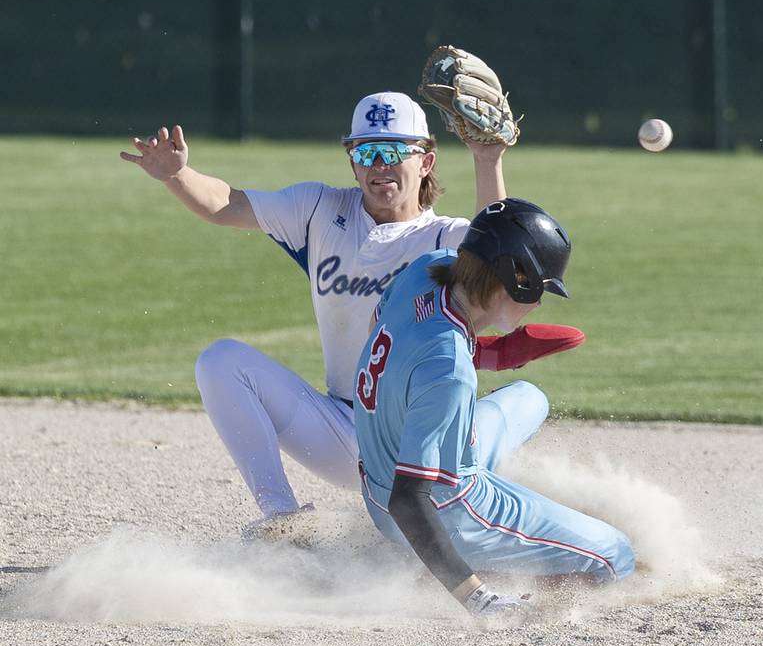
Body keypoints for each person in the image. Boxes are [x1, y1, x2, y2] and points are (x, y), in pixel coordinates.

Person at [120, 92, 576, 530]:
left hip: (427, 437)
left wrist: (487, 160)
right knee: (220, 361)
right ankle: (284, 522)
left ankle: (471, 495)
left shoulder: (445, 238)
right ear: (352, 161)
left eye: (393, 150)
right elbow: (228, 205)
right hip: (346, 434)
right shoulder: (319, 209)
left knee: (530, 398)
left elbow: (496, 246)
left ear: (426, 160)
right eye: (366, 151)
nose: (379, 164)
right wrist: (176, 176)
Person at [353, 199, 635, 616]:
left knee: (530, 397)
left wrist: (493, 354)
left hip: (379, 464)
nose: (539, 303)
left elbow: (401, 343)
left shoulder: (427, 269)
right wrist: (475, 597)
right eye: (539, 288)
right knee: (616, 557)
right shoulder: (449, 372)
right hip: (444, 506)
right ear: (515, 278)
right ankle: (471, 565)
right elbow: (409, 500)